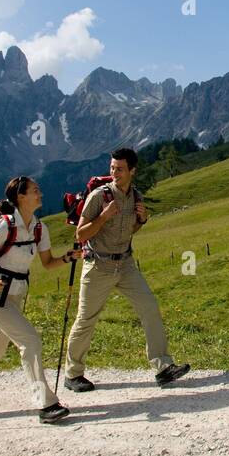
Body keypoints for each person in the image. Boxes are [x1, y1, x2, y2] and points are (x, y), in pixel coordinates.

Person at [0, 176, 82, 424]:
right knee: (30, 341)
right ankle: (46, 405)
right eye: (35, 191)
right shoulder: (3, 227)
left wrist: (67, 258)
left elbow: (47, 263)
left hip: (17, 295)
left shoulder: (39, 228)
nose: (40, 193)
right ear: (20, 197)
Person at [62, 147, 190, 392]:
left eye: (119, 169)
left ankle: (163, 367)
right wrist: (103, 217)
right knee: (86, 319)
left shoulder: (136, 197)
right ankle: (73, 374)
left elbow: (129, 231)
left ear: (132, 171)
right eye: (112, 168)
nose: (114, 173)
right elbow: (80, 234)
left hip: (126, 265)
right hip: (98, 265)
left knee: (149, 307)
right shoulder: (100, 197)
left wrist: (141, 221)